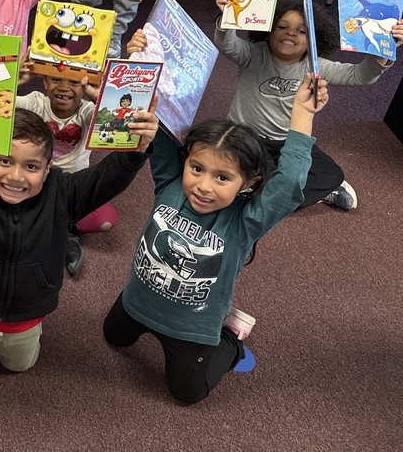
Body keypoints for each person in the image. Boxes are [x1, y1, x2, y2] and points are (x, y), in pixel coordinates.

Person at [104, 77, 328, 404]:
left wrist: (303, 115)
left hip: (193, 326)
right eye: (197, 168)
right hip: (137, 303)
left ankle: (232, 339)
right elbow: (160, 122)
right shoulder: (171, 184)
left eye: (222, 177)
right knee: (113, 337)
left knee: (187, 393)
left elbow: (290, 182)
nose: (204, 186)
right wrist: (146, 62)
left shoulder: (246, 221)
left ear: (247, 182)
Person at [0, 87, 157, 373]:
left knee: (20, 365)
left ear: (47, 168)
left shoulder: (62, 193)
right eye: (5, 161)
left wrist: (136, 150)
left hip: (27, 315)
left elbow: (106, 179)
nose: (16, 176)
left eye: (31, 166)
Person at [213, 0, 402, 210]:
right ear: (268, 30)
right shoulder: (254, 54)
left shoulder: (315, 65)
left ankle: (257, 188)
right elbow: (227, 44)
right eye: (282, 27)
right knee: (211, 160)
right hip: (243, 138)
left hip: (286, 143)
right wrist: (227, 15)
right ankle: (269, 188)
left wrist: (385, 48)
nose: (291, 34)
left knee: (332, 174)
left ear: (314, 40)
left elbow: (360, 75)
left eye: (302, 31)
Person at [15, 62, 117, 277]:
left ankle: (63, 228)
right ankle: (55, 227)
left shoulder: (87, 111)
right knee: (7, 195)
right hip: (40, 180)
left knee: (106, 220)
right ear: (44, 82)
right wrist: (15, 83)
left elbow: (116, 127)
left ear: (85, 86)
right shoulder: (36, 102)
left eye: (74, 82)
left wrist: (99, 97)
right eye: (55, 79)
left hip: (72, 185)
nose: (64, 87)